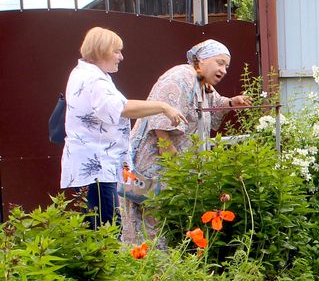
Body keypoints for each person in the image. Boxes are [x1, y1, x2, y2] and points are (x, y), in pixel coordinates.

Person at [121, 39, 251, 245]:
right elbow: (159, 121)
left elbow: (214, 103)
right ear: (201, 59)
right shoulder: (180, 76)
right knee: (152, 219)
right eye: (219, 62)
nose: (224, 70)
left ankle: (159, 269)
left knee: (165, 220)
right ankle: (150, 267)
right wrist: (172, 159)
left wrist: (231, 102)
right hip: (156, 164)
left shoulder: (202, 84)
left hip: (174, 168)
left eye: (226, 65)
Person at [60, 27, 184, 229]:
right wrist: (163, 106)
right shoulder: (94, 79)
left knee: (99, 224)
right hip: (98, 167)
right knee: (105, 227)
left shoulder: (86, 73)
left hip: (96, 165)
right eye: (116, 51)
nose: (121, 57)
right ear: (101, 51)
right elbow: (122, 108)